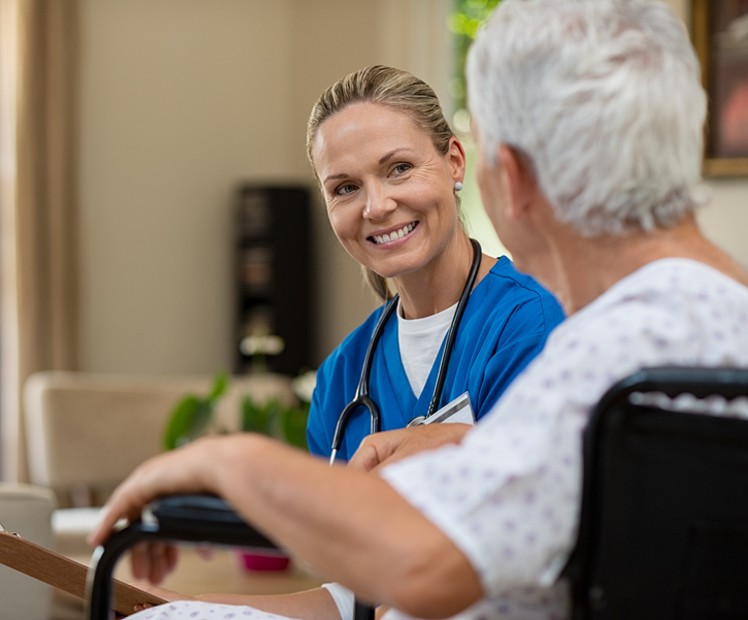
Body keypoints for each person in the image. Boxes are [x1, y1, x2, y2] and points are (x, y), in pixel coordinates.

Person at [90, 1, 748, 619]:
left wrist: (224, 462)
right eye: (346, 187)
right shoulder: (702, 325)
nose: (377, 205)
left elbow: (422, 567)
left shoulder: (605, 360)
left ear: (505, 175)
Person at [304, 65, 563, 463]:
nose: (376, 207)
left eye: (400, 169)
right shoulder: (340, 378)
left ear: (455, 162)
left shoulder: (532, 322)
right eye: (345, 188)